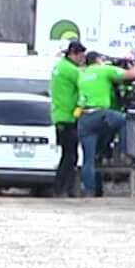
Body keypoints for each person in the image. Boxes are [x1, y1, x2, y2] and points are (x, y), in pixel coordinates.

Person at [74, 52, 135, 197]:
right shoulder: (103, 69)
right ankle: (127, 150)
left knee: (89, 159)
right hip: (100, 114)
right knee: (123, 120)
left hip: (84, 118)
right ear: (98, 60)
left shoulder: (82, 73)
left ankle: (90, 191)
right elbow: (130, 75)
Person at [50, 42, 88, 198]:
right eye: (81, 56)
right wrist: (80, 108)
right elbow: (85, 86)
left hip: (59, 115)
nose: (82, 59)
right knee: (71, 155)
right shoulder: (72, 71)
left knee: (67, 154)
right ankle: (62, 188)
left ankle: (63, 188)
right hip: (69, 116)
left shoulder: (59, 67)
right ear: (73, 53)